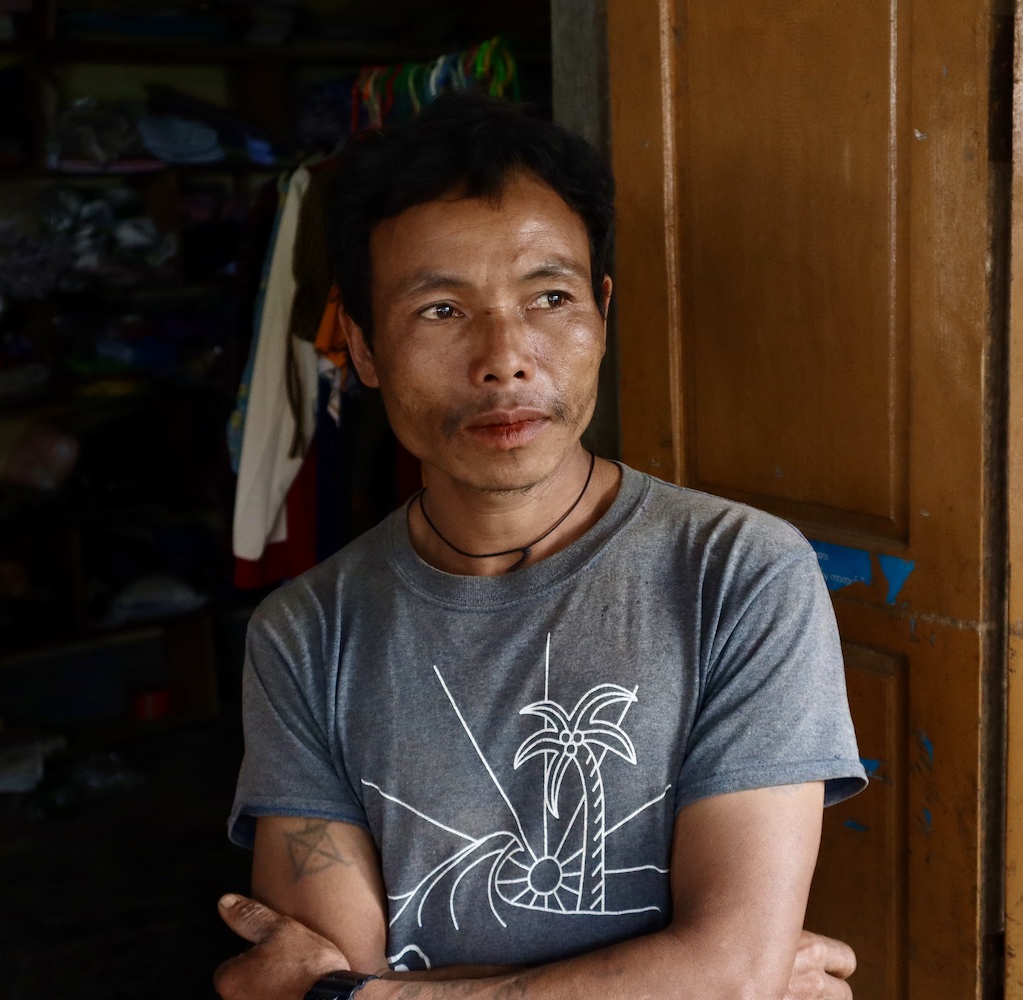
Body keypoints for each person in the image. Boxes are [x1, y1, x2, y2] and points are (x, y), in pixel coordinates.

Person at [214, 92, 868, 1000]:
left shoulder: (741, 574)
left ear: (600, 314)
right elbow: (728, 975)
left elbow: (728, 969)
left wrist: (380, 997)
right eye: (440, 311)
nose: (506, 358)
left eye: (550, 297)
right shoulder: (304, 633)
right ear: (360, 348)